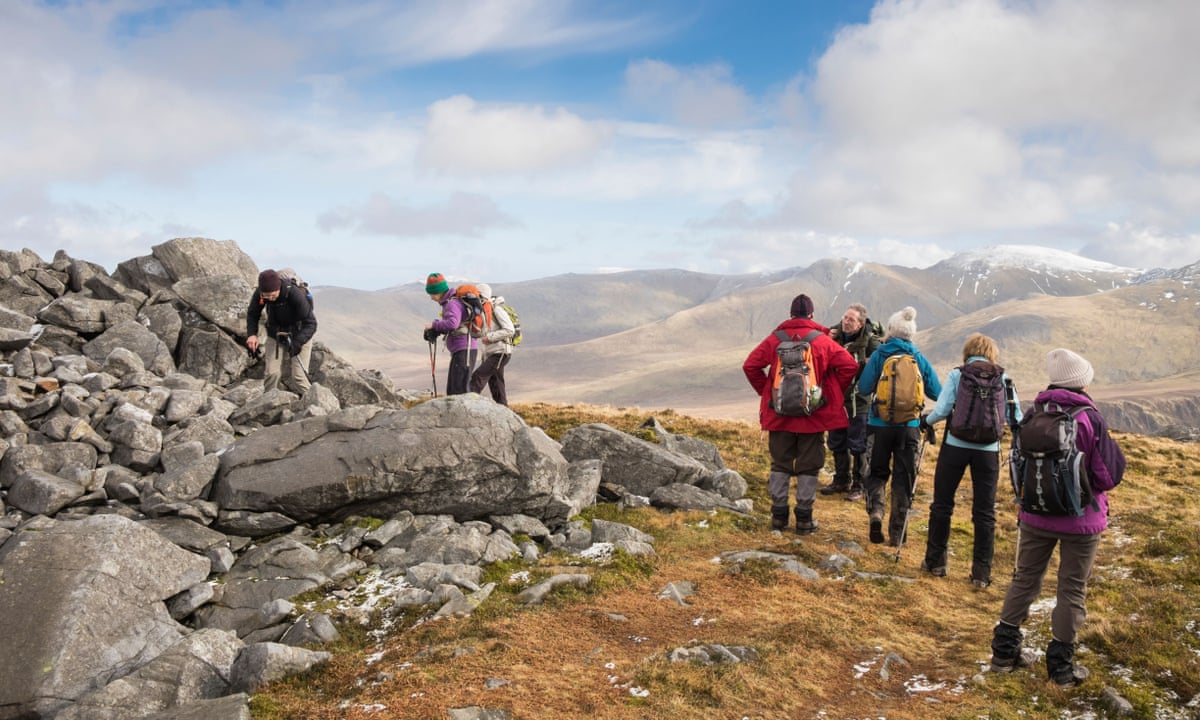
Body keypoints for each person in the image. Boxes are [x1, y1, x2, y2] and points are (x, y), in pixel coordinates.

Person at [990, 348, 1125, 687]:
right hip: (1081, 520)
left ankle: (1004, 654)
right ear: (1080, 381)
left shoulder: (1035, 413)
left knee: (1025, 579)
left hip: (1035, 514)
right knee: (1071, 589)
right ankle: (1062, 669)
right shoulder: (1088, 417)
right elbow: (1108, 474)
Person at [743, 294, 858, 534]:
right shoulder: (823, 341)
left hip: (779, 414)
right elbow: (849, 365)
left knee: (780, 464)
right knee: (809, 466)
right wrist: (828, 392)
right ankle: (804, 520)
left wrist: (768, 394)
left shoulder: (775, 339)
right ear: (812, 315)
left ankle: (779, 517)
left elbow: (751, 366)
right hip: (813, 416)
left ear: (791, 314)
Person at [919, 333, 1022, 587]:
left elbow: (942, 410)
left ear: (968, 351)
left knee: (942, 504)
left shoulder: (959, 374)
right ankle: (981, 573)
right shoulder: (1004, 378)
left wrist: (925, 422)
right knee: (985, 511)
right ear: (991, 353)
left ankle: (935, 562)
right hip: (988, 451)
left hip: (955, 446)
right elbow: (1016, 416)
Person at [857, 306, 942, 546]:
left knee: (876, 473)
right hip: (909, 426)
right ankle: (898, 535)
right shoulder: (918, 357)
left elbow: (863, 389)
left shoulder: (880, 354)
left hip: (878, 424)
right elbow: (937, 392)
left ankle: (876, 513)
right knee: (904, 480)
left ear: (892, 330)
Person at [820, 303, 882, 501]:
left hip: (859, 401)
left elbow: (879, 369)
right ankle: (841, 480)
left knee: (858, 444)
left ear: (861, 323)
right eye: (845, 318)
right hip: (836, 399)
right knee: (837, 440)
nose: (846, 322)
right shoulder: (833, 336)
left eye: (851, 320)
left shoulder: (871, 343)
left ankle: (859, 485)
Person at [246, 269, 317, 395]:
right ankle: (267, 403)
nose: (270, 299)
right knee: (272, 374)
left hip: (300, 334)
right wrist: (252, 335)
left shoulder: (294, 294)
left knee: (299, 377)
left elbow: (311, 323)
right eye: (266, 296)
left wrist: (298, 342)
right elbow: (253, 314)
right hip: (276, 335)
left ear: (279, 287)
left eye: (273, 295)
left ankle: (316, 403)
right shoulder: (261, 293)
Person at [423, 273, 478, 396]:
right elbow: (455, 324)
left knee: (458, 391)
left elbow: (453, 323)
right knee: (455, 390)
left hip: (464, 349)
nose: (431, 297)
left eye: (431, 294)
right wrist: (438, 327)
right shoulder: (450, 302)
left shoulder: (452, 303)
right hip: (462, 350)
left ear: (438, 292)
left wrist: (434, 325)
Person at [468, 283, 515, 405]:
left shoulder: (496, 309)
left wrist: (490, 337)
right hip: (492, 353)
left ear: (482, 296)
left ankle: (467, 404)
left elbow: (510, 329)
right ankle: (503, 411)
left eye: (476, 296)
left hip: (500, 352)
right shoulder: (484, 311)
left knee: (478, 377)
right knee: (496, 385)